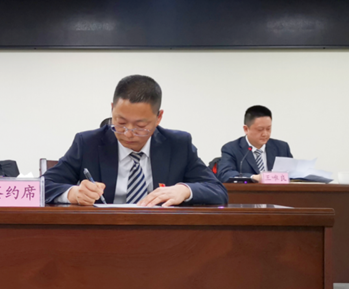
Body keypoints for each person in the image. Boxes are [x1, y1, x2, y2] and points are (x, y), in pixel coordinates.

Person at [44, 75, 227, 206]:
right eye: (121, 123)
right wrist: (73, 193)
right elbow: (42, 186)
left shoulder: (178, 144)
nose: (129, 134)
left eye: (140, 126)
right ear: (112, 109)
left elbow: (218, 191)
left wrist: (184, 190)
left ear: (159, 117)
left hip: (162, 235)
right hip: (103, 235)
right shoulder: (88, 143)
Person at [217, 105, 292, 183]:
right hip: (246, 191)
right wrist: (253, 177)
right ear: (246, 129)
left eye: (268, 129)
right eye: (260, 129)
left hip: (277, 190)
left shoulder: (282, 148)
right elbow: (225, 174)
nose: (265, 134)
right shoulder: (231, 148)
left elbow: (292, 174)